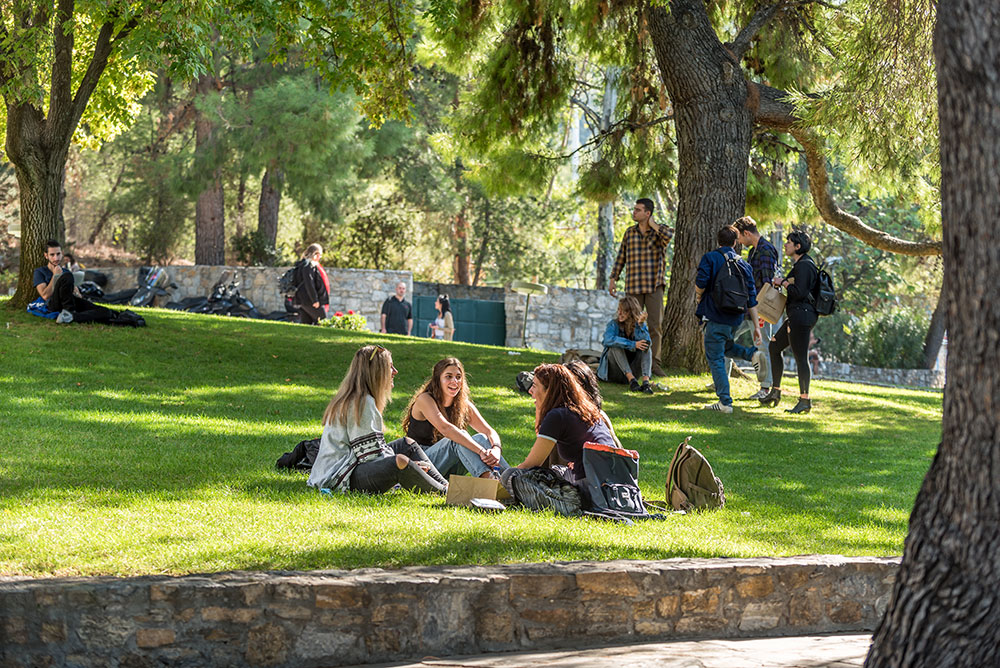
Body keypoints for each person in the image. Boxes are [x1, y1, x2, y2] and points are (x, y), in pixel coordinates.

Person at [307, 345, 448, 495]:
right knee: (399, 462)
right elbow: (369, 456)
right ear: (376, 372)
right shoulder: (361, 402)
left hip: (348, 467)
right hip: (340, 478)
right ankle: (444, 491)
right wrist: (412, 467)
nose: (395, 371)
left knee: (406, 444)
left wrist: (412, 466)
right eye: (390, 367)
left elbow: (374, 451)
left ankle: (447, 486)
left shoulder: (358, 398)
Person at [501, 364, 617, 491]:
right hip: (613, 482)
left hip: (591, 488)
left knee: (510, 476)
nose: (530, 391)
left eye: (534, 386)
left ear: (549, 390)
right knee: (557, 471)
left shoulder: (557, 415)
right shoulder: (586, 410)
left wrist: (504, 479)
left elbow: (531, 464)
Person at [402, 358, 510, 479]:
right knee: (457, 437)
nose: (455, 381)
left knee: (481, 438)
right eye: (448, 376)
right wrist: (481, 451)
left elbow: (489, 431)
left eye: (458, 377)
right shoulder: (425, 399)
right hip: (421, 464)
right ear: (437, 380)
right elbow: (446, 429)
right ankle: (490, 481)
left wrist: (496, 449)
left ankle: (511, 479)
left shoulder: (463, 405)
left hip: (447, 467)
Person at [694, 225, 763, 414]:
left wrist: (699, 297)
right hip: (736, 318)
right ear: (735, 242)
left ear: (718, 241)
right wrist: (756, 327)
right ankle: (751, 354)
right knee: (727, 348)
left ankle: (725, 402)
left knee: (715, 358)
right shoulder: (744, 264)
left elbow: (701, 283)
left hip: (715, 315)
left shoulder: (711, 258)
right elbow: (752, 298)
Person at [608, 198, 674, 378]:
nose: (634, 212)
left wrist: (652, 224)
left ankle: (654, 364)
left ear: (648, 213)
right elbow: (621, 257)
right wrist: (613, 278)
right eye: (634, 209)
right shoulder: (629, 233)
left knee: (655, 325)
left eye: (638, 210)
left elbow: (669, 235)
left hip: (654, 286)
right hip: (634, 286)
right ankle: (631, 363)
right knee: (629, 324)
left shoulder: (659, 232)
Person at [761, 231, 819, 414]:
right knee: (774, 346)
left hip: (802, 317)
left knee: (801, 357)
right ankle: (775, 391)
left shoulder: (805, 266)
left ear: (798, 246)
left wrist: (783, 282)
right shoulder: (801, 264)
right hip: (795, 315)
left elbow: (799, 292)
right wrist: (784, 282)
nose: (786, 245)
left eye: (789, 242)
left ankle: (804, 400)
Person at [729, 216, 780, 400]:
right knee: (727, 337)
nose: (739, 242)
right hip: (748, 306)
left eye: (740, 238)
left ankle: (765, 388)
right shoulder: (753, 251)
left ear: (747, 233)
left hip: (760, 307)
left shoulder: (766, 251)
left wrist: (761, 313)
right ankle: (721, 380)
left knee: (763, 344)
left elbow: (768, 283)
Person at [33, 240, 117, 325]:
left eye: (58, 254)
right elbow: (45, 296)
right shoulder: (40, 272)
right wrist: (55, 276)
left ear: (62, 253)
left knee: (106, 311)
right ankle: (70, 311)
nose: (56, 258)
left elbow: (75, 294)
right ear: (46, 255)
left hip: (71, 299)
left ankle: (72, 316)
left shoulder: (66, 271)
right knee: (66, 276)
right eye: (52, 255)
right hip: (53, 303)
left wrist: (76, 292)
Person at [597, 296, 655, 394]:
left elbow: (648, 342)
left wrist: (640, 325)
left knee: (646, 347)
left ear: (631, 312)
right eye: (619, 309)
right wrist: (632, 344)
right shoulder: (613, 324)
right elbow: (607, 340)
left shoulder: (639, 325)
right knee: (615, 346)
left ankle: (645, 383)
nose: (619, 313)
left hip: (633, 369)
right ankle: (632, 381)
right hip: (614, 373)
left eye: (623, 311)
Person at [293, 244, 329, 326]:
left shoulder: (301, 264)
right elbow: (309, 283)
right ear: (315, 254)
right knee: (323, 321)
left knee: (306, 324)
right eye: (320, 255)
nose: (320, 257)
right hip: (309, 300)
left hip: (303, 300)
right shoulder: (308, 266)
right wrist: (315, 300)